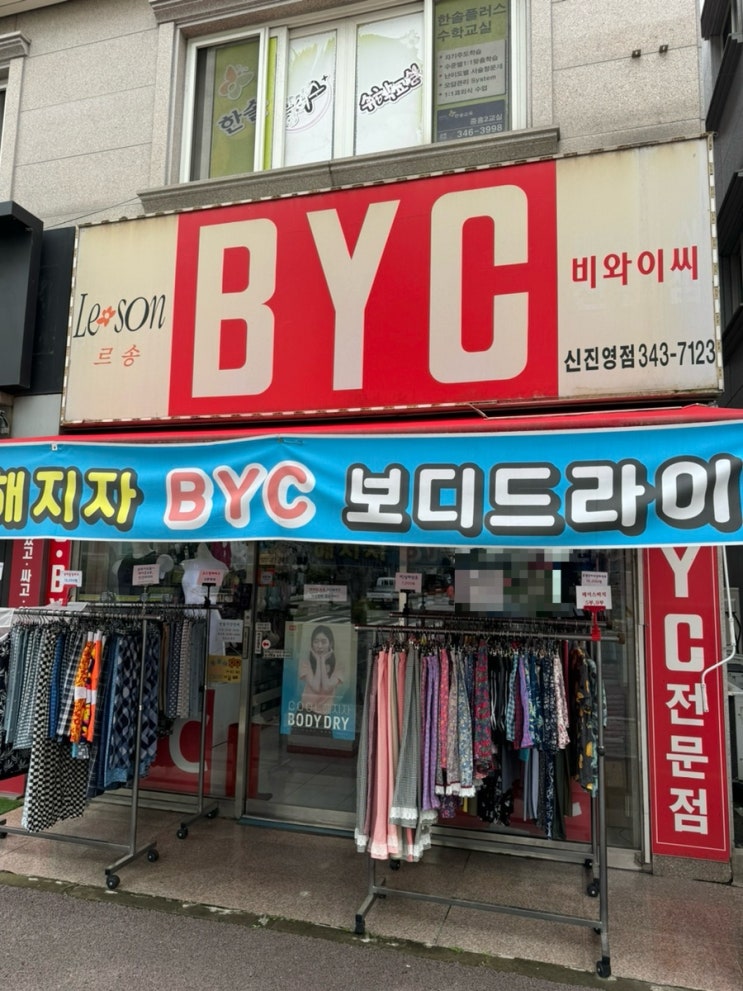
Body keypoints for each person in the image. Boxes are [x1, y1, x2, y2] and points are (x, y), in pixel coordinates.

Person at [298, 625, 343, 716]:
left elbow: (326, 687)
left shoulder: (339, 665)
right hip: (305, 712)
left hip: (324, 714)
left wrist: (321, 661)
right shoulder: (306, 663)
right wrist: (319, 660)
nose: (319, 646)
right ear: (312, 644)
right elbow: (316, 687)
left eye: (323, 642)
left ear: (330, 644)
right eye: (316, 642)